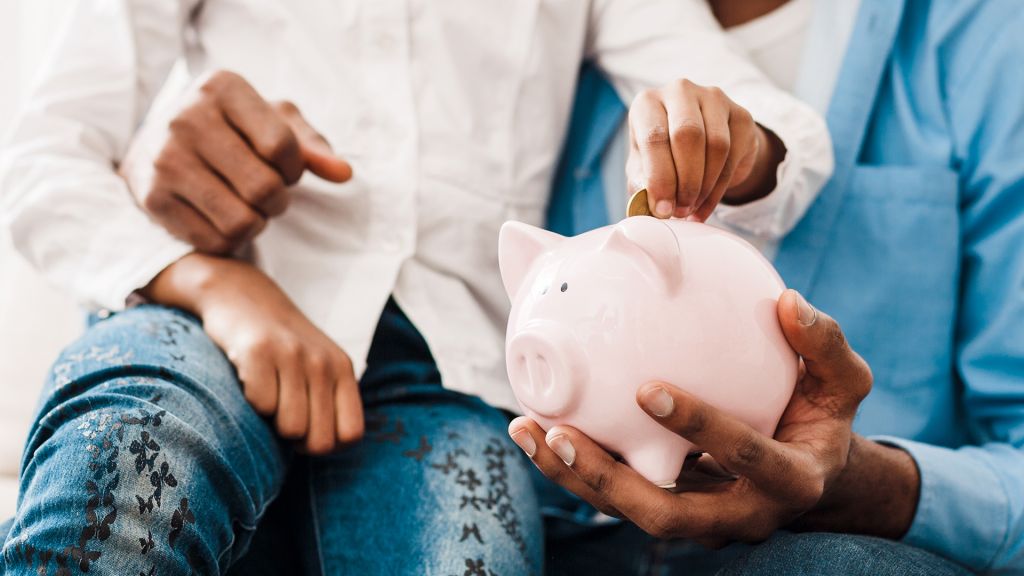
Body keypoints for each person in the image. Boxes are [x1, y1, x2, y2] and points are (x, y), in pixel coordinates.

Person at [0, 1, 833, 574]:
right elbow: (43, 155)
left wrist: (738, 143)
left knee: (466, 555)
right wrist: (210, 281)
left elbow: (771, 121)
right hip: (206, 313)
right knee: (122, 479)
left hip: (451, 378)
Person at [515, 0, 1024, 574]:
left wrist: (865, 484)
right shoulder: (552, 37)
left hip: (846, 542)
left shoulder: (985, 42)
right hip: (564, 530)